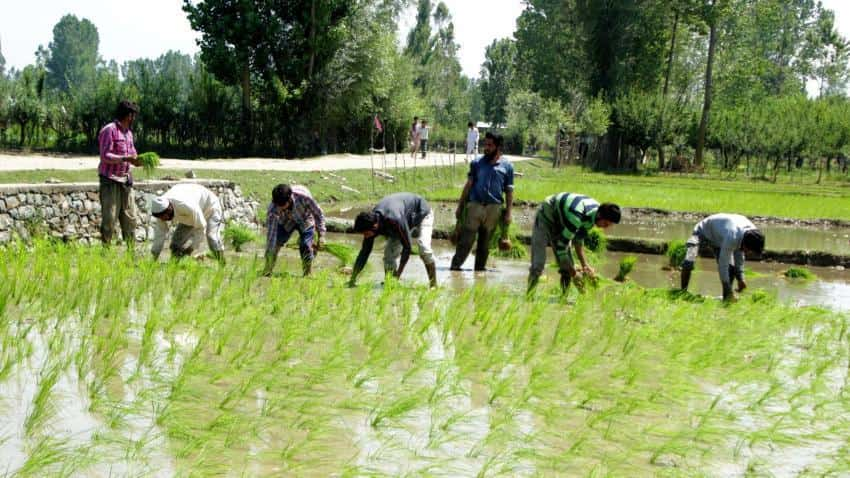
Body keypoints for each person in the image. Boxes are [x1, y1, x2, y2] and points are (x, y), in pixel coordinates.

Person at [527, 193, 621, 295]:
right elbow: (561, 247)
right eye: (606, 224)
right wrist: (574, 274)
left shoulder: (593, 216)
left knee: (566, 267)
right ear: (600, 216)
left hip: (563, 219)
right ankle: (529, 298)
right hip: (546, 216)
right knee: (538, 263)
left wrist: (585, 265)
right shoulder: (577, 216)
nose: (605, 228)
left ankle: (563, 299)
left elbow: (578, 240)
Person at [450, 132, 514, 271]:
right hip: (475, 206)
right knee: (466, 240)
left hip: (494, 209)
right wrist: (460, 207)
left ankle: (479, 270)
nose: (486, 148)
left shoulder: (507, 166)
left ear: (498, 147)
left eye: (490, 145)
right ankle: (455, 268)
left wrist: (508, 212)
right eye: (486, 144)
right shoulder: (477, 163)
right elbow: (468, 186)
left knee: (485, 244)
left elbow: (509, 191)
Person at [349, 192, 437, 288]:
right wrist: (352, 279)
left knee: (423, 247)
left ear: (375, 226)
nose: (365, 236)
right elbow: (364, 253)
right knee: (389, 255)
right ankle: (390, 282)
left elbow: (407, 248)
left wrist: (399, 273)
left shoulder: (394, 220)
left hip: (421, 212)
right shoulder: (371, 222)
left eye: (366, 233)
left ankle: (433, 285)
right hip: (403, 218)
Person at [680, 213, 765, 301]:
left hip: (719, 238)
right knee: (689, 261)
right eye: (748, 250)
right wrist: (727, 288)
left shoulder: (753, 234)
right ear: (745, 243)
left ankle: (726, 298)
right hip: (702, 231)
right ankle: (682, 293)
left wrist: (740, 278)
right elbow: (722, 265)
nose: (747, 253)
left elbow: (739, 256)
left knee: (730, 269)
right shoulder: (733, 236)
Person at [98, 100, 141, 246]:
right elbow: (105, 156)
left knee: (130, 218)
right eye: (133, 115)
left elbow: (132, 152)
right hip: (110, 180)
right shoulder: (109, 130)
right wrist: (125, 158)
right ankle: (106, 251)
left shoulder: (129, 134)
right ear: (128, 115)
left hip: (126, 181)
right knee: (109, 219)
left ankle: (131, 253)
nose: (134, 118)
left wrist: (138, 160)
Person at [262, 184, 326, 277]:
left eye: (281, 205)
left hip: (305, 218)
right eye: (277, 205)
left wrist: (321, 235)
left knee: (305, 245)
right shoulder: (273, 208)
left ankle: (307, 273)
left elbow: (318, 214)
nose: (279, 208)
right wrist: (270, 251)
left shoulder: (304, 198)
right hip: (285, 221)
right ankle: (268, 270)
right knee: (275, 244)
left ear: (289, 199)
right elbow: (271, 236)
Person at [150, 183, 225, 262]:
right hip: (190, 213)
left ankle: (222, 265)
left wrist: (191, 248)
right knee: (176, 242)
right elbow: (160, 234)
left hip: (210, 207)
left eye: (164, 216)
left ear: (169, 209)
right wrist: (154, 257)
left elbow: (201, 227)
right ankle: (174, 265)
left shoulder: (186, 205)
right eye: (161, 217)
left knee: (212, 237)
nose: (164, 219)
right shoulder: (160, 210)